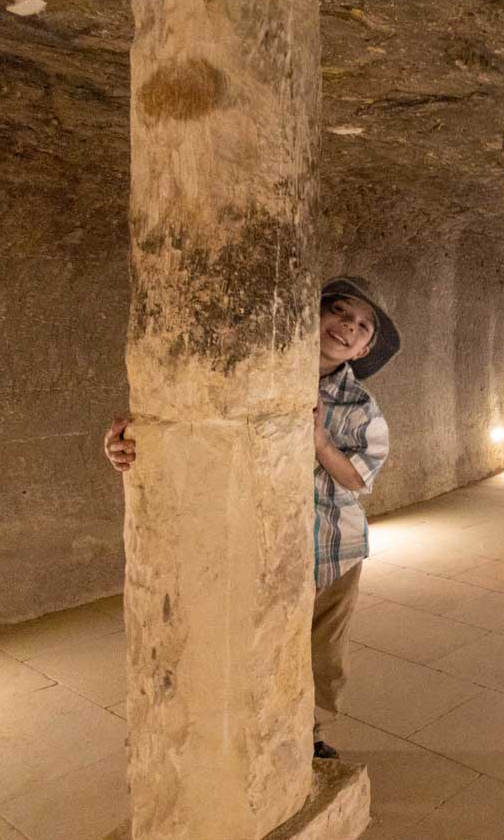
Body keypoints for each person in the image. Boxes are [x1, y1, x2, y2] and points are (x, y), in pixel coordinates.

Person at [104, 276, 400, 761]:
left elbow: (357, 479)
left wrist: (320, 440)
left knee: (322, 653)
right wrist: (132, 444)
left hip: (332, 545)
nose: (348, 327)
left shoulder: (360, 406)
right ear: (316, 316)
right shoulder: (252, 374)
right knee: (246, 646)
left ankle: (309, 732)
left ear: (365, 348)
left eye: (363, 326)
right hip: (253, 543)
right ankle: (241, 739)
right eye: (341, 312)